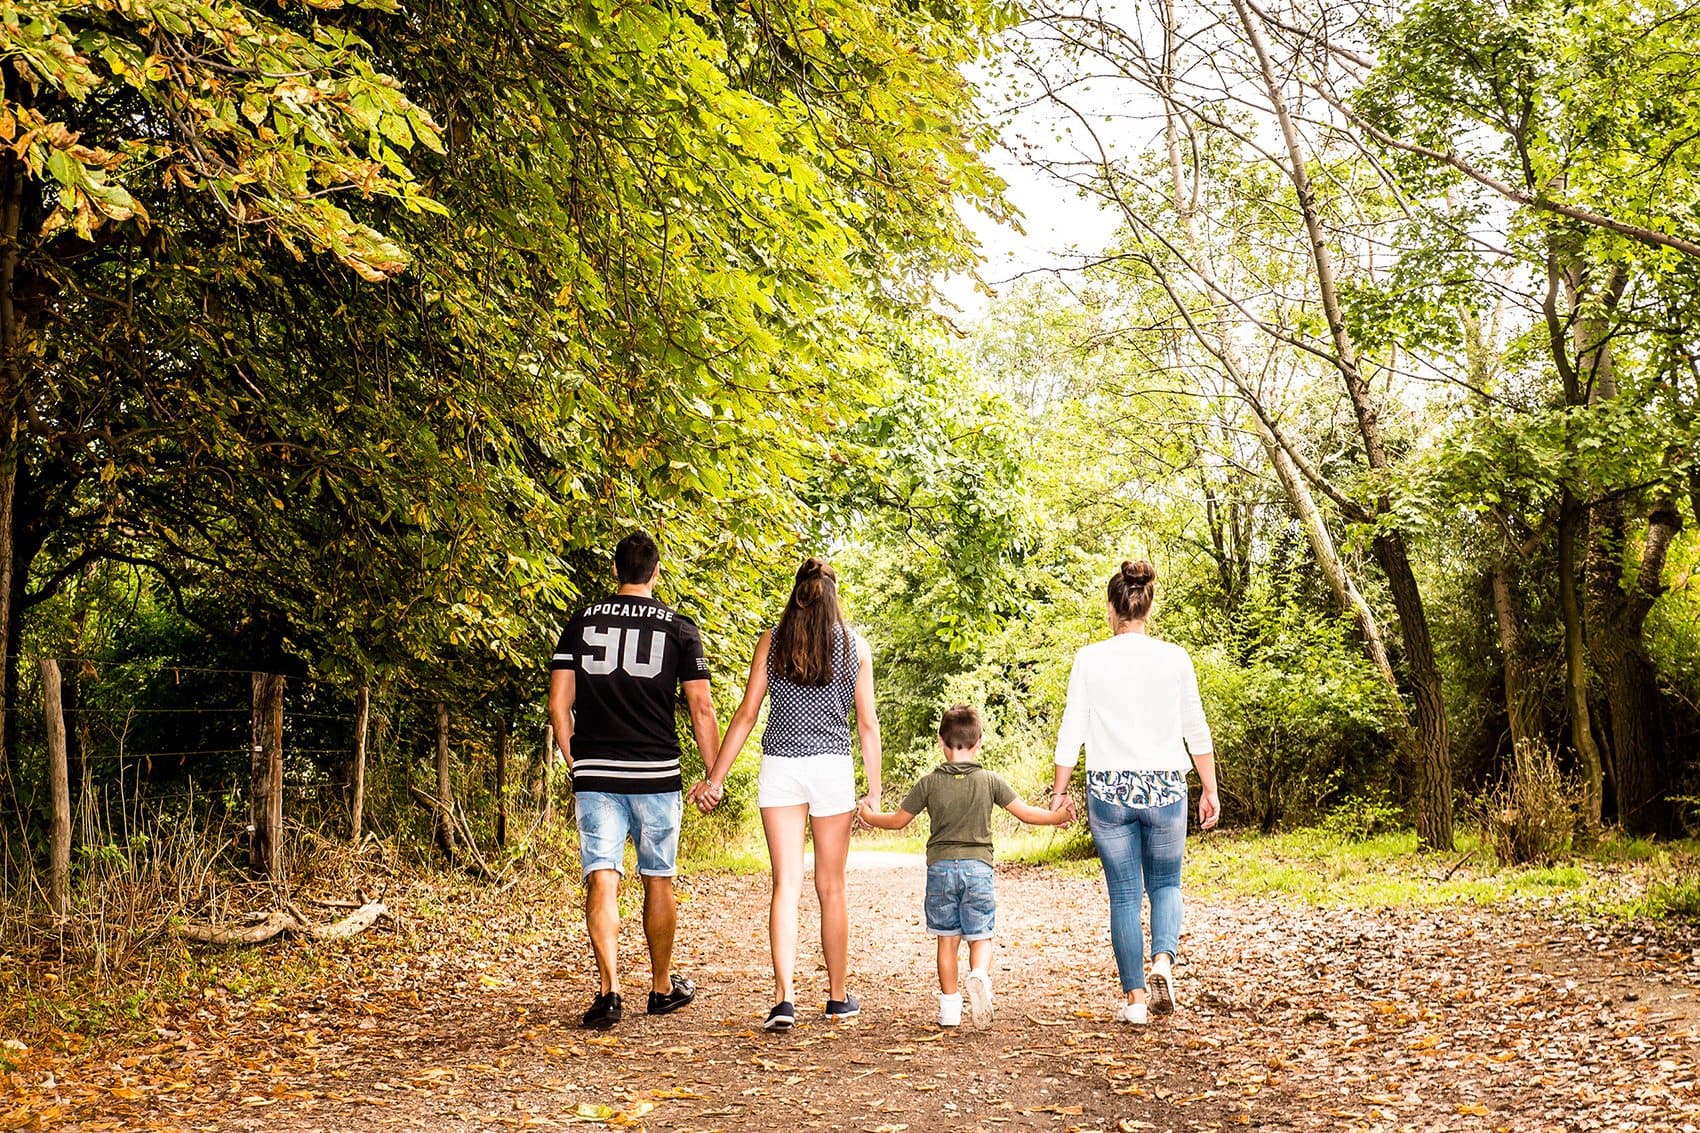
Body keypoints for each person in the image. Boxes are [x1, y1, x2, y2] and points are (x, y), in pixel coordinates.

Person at [689, 556, 881, 1032]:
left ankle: (784, 999)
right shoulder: (855, 646)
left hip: (780, 768)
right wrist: (873, 792)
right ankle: (837, 998)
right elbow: (866, 723)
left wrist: (715, 778)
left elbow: (747, 714)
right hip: (832, 767)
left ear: (797, 594)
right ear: (834, 596)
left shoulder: (773, 642)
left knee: (786, 885)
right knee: (831, 887)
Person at [547, 531, 722, 1029]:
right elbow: (701, 708)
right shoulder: (679, 628)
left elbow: (560, 706)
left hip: (596, 770)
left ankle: (608, 992)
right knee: (658, 877)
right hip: (656, 772)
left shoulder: (579, 622)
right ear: (657, 571)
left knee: (602, 874)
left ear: (616, 570)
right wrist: (714, 775)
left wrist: (574, 759)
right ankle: (662, 988)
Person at [1051, 560, 1219, 1026]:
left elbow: (1072, 730)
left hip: (1110, 787)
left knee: (1124, 895)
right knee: (1166, 884)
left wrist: (1060, 791)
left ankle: (1136, 1001)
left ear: (1112, 609)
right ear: (1148, 606)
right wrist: (1209, 787)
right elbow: (1195, 728)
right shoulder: (1175, 657)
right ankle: (1163, 960)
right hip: (1165, 783)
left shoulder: (1089, 659)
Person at [857, 704, 1074, 1028]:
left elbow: (898, 821)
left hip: (941, 870)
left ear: (941, 742)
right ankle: (979, 975)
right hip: (978, 870)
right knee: (980, 935)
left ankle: (949, 1010)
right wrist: (1058, 816)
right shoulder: (990, 780)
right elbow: (1026, 813)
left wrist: (869, 816)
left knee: (947, 939)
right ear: (980, 741)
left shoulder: (929, 783)